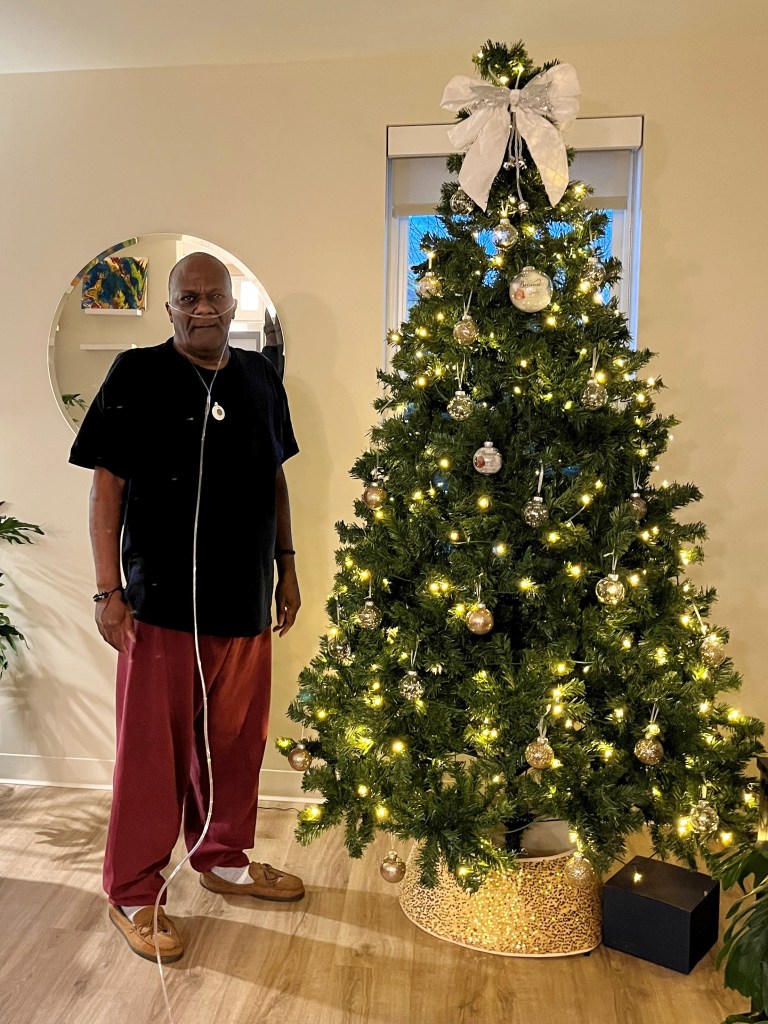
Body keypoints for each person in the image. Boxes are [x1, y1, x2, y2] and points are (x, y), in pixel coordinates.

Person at [69, 252, 304, 964]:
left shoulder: (262, 378)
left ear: (236, 305)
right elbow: (105, 488)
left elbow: (274, 480)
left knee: (237, 744)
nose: (203, 308)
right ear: (168, 308)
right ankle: (135, 893)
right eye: (188, 297)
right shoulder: (135, 375)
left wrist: (286, 567)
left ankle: (224, 858)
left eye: (215, 296)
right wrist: (109, 591)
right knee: (151, 759)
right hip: (159, 604)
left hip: (241, 603)